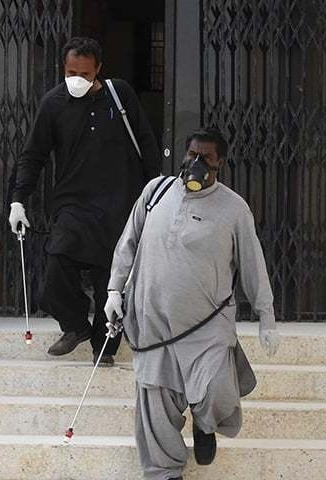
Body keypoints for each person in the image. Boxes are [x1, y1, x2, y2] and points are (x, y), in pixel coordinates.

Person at [104, 127, 281, 479]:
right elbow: (128, 243)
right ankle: (164, 471)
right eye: (192, 155)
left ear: (220, 164)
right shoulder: (154, 193)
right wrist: (113, 291)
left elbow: (253, 265)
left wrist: (267, 316)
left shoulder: (233, 208)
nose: (197, 163)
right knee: (156, 401)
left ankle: (205, 424)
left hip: (207, 326)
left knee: (216, 385)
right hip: (153, 322)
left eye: (207, 158)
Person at [8, 36, 160, 365]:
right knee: (53, 276)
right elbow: (33, 155)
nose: (76, 78)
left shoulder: (120, 95)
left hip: (119, 206)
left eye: (85, 73)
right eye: (70, 71)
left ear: (99, 71)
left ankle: (103, 348)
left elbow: (147, 146)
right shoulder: (53, 103)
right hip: (72, 205)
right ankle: (76, 326)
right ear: (63, 68)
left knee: (111, 284)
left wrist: (153, 198)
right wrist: (18, 200)